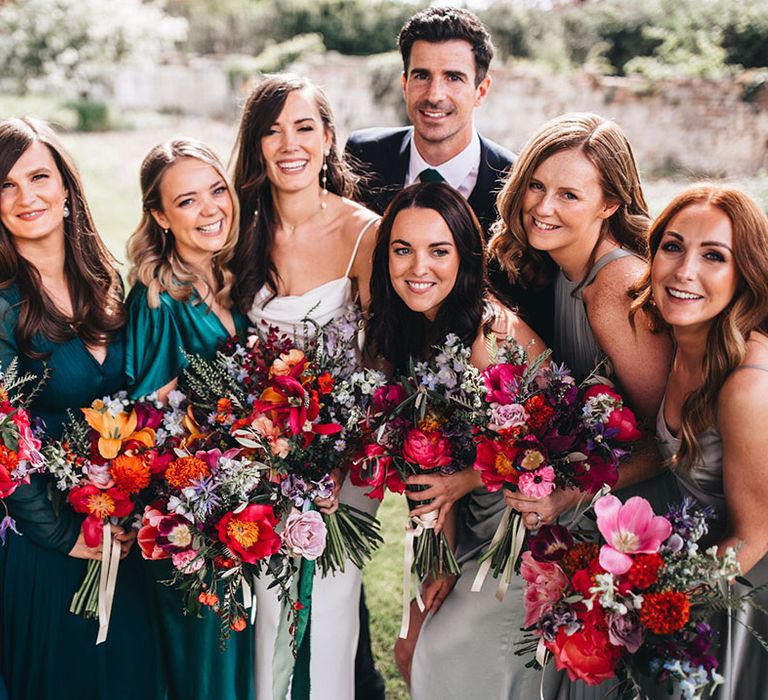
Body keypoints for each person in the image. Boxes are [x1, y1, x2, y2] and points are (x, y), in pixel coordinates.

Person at [490, 112, 680, 698]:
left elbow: (667, 443)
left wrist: (574, 494)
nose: (542, 206)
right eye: (537, 186)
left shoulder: (613, 288)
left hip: (638, 518)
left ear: (608, 205)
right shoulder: (561, 272)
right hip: (595, 503)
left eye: (569, 193)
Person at [364, 181, 548, 698]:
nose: (418, 267)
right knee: (409, 646)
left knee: (443, 654)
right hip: (467, 525)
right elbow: (428, 455)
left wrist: (463, 481)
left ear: (464, 258)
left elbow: (543, 456)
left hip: (525, 529)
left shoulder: (490, 336)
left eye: (438, 251)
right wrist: (438, 555)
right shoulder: (410, 328)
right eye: (403, 250)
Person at [230, 73, 379, 700]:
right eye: (271, 130)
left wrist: (344, 452)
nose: (288, 143)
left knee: (333, 603)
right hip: (260, 453)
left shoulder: (364, 233)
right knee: (264, 606)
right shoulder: (240, 228)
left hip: (345, 456)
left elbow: (382, 364)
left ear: (326, 139)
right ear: (257, 144)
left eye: (303, 127)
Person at [0, 117, 160, 700]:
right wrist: (64, 535)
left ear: (66, 186)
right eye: (6, 185)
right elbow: (2, 438)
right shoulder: (2, 303)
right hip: (45, 543)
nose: (26, 197)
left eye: (39, 176)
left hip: (121, 530)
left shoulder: (109, 282)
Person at [124, 138, 252, 699]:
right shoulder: (158, 298)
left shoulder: (237, 277)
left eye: (217, 191)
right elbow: (149, 419)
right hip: (191, 514)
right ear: (159, 216)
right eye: (188, 201)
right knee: (205, 667)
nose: (210, 210)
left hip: (247, 501)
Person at [344, 7, 553, 344]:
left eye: (453, 77)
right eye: (421, 75)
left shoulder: (516, 181)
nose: (434, 94)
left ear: (481, 90)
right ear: (405, 83)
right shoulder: (364, 154)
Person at [632, 185, 768, 699]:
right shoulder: (670, 341)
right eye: (673, 246)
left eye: (714, 256)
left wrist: (647, 607)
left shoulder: (748, 385)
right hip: (706, 565)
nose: (684, 270)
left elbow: (754, 538)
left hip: (748, 589)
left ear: (745, 274)